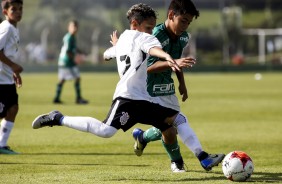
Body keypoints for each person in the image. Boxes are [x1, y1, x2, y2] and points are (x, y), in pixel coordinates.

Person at [32, 3, 195, 172]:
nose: (151, 31)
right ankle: (58, 118)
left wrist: (117, 47)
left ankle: (184, 160)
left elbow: (107, 54)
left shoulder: (126, 38)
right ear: (134, 25)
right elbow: (154, 50)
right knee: (106, 131)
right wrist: (169, 57)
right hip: (128, 96)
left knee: (171, 121)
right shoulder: (145, 38)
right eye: (148, 27)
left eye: (153, 28)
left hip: (144, 99)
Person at [131, 0, 225, 172]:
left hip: (166, 86)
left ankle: (142, 137)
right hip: (147, 90)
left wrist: (182, 83)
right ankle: (193, 159)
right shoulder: (155, 36)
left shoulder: (183, 37)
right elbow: (146, 68)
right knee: (175, 124)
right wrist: (173, 62)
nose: (185, 26)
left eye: (189, 22)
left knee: (168, 127)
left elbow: (176, 61)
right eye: (183, 21)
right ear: (171, 15)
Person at [0, 0, 23, 154]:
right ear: (5, 12)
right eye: (14, 9)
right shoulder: (6, 28)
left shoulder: (14, 28)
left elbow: (8, 52)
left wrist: (14, 72)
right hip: (0, 79)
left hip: (7, 78)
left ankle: (2, 145)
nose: (18, 12)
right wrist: (14, 66)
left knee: (13, 108)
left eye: (20, 9)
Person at [53, 20, 88, 104]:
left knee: (62, 80)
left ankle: (56, 98)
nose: (75, 28)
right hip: (67, 62)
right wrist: (76, 60)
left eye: (76, 26)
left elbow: (74, 48)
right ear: (69, 27)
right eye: (73, 26)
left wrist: (81, 52)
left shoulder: (70, 37)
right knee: (77, 78)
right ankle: (78, 99)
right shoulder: (69, 38)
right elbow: (68, 52)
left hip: (63, 62)